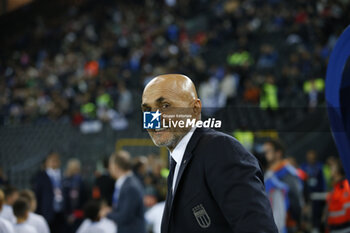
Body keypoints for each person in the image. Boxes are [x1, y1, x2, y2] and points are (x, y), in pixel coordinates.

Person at [141, 74, 277, 233]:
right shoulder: (180, 160)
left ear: (195, 109)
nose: (154, 118)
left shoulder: (220, 150)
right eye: (147, 109)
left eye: (165, 106)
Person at [263, 139, 304, 233]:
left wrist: (297, 223)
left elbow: (296, 200)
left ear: (278, 153)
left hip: (286, 225)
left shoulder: (288, 173)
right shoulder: (269, 173)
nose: (265, 154)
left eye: (268, 151)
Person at [100, 150, 145, 233]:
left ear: (115, 166)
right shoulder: (125, 183)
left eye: (110, 165)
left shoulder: (130, 186)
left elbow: (125, 217)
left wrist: (106, 214)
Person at [32, 152, 65, 233]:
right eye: (52, 160)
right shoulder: (40, 176)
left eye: (56, 160)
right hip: (47, 213)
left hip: (62, 213)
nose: (54, 162)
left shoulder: (63, 175)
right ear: (46, 162)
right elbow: (37, 195)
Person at [301, 150, 326, 232]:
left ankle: (318, 227)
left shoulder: (320, 166)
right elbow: (302, 182)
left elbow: (323, 181)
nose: (310, 159)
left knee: (318, 213)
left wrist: (323, 193)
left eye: (312, 158)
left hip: (318, 195)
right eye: (309, 158)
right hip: (307, 195)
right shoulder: (304, 167)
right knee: (308, 215)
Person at [62, 158, 86, 233]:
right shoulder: (78, 180)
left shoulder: (65, 181)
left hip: (71, 216)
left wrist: (71, 215)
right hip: (76, 216)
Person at [326, 158, 350, 233]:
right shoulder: (335, 187)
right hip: (334, 228)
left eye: (332, 168)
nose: (330, 170)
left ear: (338, 171)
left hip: (345, 228)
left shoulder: (346, 186)